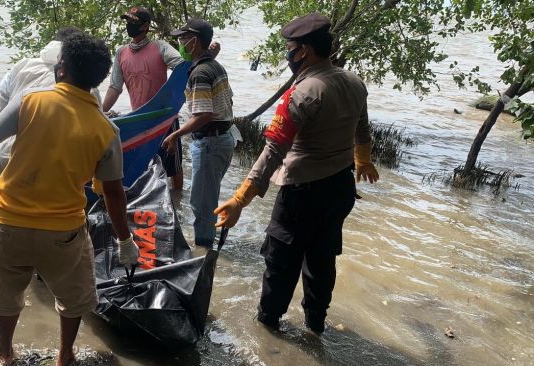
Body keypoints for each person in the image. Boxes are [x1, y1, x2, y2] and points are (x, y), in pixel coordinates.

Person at [0, 33, 140, 366]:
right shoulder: (107, 130)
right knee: (73, 298)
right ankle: (65, 355)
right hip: (63, 233)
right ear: (97, 80)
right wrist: (125, 240)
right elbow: (113, 193)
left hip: (9, 223)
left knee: (6, 296)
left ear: (61, 69)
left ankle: (6, 355)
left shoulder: (31, 101)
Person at [214, 13, 380, 334]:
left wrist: (239, 199)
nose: (287, 54)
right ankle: (316, 324)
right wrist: (362, 160)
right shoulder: (354, 82)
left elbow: (274, 152)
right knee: (322, 257)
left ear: (303, 50)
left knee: (281, 263)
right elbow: (362, 127)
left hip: (301, 195)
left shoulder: (301, 94)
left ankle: (268, 327)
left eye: (289, 48)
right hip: (340, 188)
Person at [102, 6, 220, 190]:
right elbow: (115, 88)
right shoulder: (121, 53)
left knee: (173, 168)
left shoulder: (160, 47)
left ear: (145, 26)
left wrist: (207, 56)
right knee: (140, 167)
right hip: (138, 119)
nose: (128, 26)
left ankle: (177, 201)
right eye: (127, 22)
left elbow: (185, 69)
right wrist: (99, 113)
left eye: (133, 22)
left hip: (163, 119)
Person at [162, 19, 234, 248]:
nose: (180, 43)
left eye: (183, 38)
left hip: (211, 142)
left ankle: (203, 252)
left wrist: (175, 135)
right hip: (224, 139)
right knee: (207, 198)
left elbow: (203, 115)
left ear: (194, 41)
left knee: (201, 204)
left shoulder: (201, 73)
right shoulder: (214, 66)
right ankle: (208, 245)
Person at [0, 26, 103, 177]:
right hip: (48, 160)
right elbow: (96, 131)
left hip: (5, 154)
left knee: (5, 199)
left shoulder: (20, 66)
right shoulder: (84, 82)